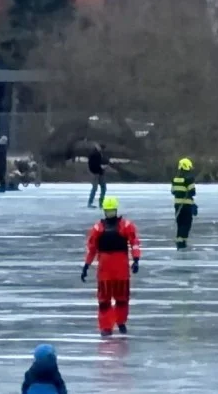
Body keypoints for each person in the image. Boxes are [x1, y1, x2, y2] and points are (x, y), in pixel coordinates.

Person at [81, 197, 141, 337]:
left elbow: (134, 242)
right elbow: (92, 249)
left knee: (122, 299)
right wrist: (86, 265)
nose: (110, 213)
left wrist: (136, 258)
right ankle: (106, 326)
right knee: (104, 301)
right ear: (104, 211)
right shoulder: (98, 228)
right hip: (105, 270)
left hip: (121, 269)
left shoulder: (126, 226)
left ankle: (120, 321)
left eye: (112, 210)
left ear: (116, 210)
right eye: (107, 211)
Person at [171, 158, 197, 250]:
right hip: (187, 205)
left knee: (180, 223)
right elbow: (192, 192)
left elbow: (173, 192)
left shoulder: (175, 179)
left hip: (177, 205)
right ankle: (183, 242)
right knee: (186, 224)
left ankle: (179, 240)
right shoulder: (189, 179)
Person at [87, 143, 107, 208]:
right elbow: (92, 164)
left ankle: (101, 203)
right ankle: (90, 203)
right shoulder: (94, 154)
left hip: (100, 172)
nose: (103, 149)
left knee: (103, 188)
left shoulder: (100, 154)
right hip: (95, 173)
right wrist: (100, 168)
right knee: (95, 188)